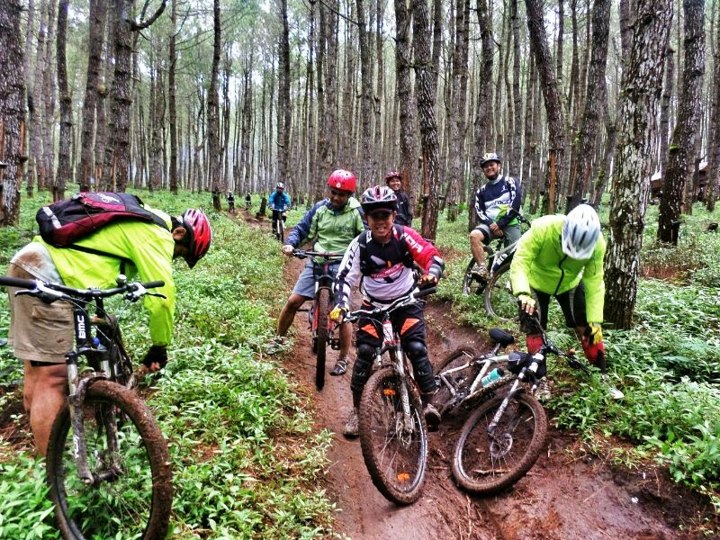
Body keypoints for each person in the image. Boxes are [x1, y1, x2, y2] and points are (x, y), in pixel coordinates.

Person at [5, 206, 212, 456]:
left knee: (37, 371)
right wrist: (159, 346)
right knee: (53, 378)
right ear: (179, 233)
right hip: (47, 275)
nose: (174, 257)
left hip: (33, 264)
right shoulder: (157, 234)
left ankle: (42, 448)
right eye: (180, 254)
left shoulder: (142, 216)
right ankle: (52, 475)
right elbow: (162, 299)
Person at [330, 185, 445, 438]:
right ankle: (358, 412)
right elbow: (344, 278)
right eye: (374, 216)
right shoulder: (360, 244)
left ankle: (427, 404)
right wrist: (341, 304)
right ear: (367, 219)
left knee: (415, 348)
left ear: (393, 216)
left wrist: (432, 273)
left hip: (407, 301)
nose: (380, 221)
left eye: (385, 215)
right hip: (374, 306)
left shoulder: (404, 236)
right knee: (365, 354)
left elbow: (431, 255)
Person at [509, 204, 621, 398]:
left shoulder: (598, 244)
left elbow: (594, 281)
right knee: (534, 328)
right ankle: (540, 381)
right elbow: (520, 261)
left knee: (589, 327)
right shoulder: (543, 228)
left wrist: (595, 320)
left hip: (570, 283)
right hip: (535, 282)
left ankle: (601, 375)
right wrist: (523, 293)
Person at [276, 170, 365, 375]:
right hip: (317, 260)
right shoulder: (320, 208)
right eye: (333, 192)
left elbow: (364, 237)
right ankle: (278, 339)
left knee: (344, 313)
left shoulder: (356, 212)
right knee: (293, 301)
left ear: (349, 195)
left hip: (342, 265)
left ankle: (343, 359)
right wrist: (291, 244)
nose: (336, 197)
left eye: (341, 195)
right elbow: (302, 229)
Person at [470, 152, 522, 279]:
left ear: (498, 166)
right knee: (474, 236)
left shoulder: (510, 182)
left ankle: (506, 278)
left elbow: (515, 203)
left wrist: (500, 224)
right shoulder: (481, 191)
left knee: (516, 254)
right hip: (491, 225)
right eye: (485, 167)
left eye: (492, 164)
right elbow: (479, 212)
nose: (489, 168)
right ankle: (482, 268)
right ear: (483, 171)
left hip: (510, 223)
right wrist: (492, 225)